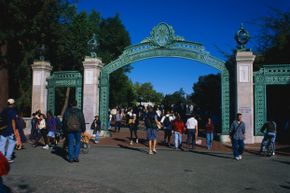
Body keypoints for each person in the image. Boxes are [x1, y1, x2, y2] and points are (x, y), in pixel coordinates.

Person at [0, 99, 17, 163]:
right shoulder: (13, 111)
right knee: (11, 143)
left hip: (3, 129)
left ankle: (1, 158)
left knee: (2, 144)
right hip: (10, 130)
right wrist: (14, 130)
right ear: (13, 104)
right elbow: (13, 121)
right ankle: (8, 158)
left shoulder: (4, 110)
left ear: (7, 103)